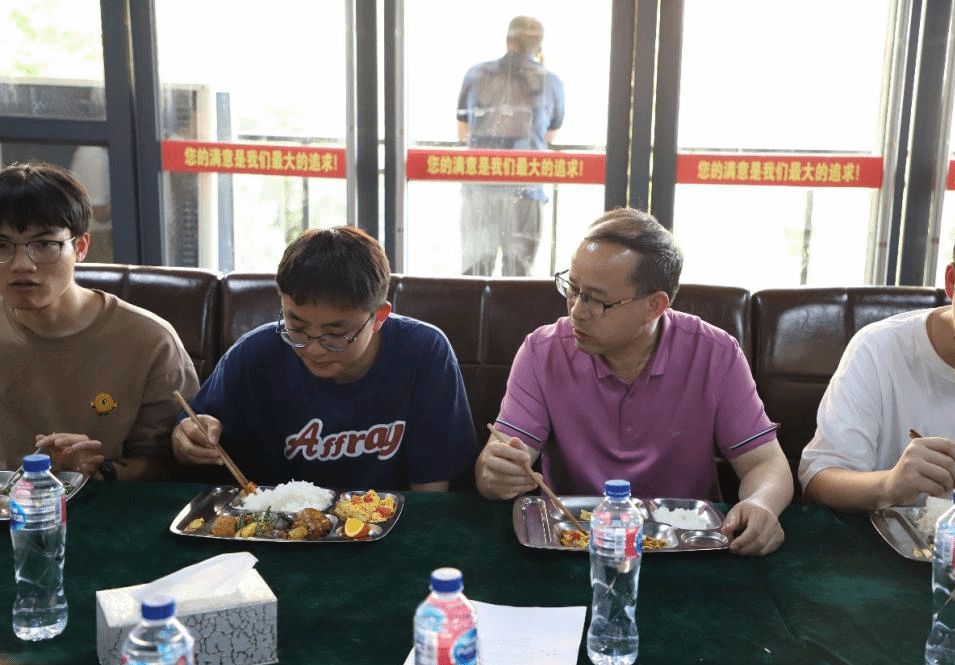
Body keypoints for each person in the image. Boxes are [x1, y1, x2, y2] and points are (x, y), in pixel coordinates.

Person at [475, 207, 793, 555]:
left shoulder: (715, 354)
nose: (576, 310)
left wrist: (761, 503)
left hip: (685, 548)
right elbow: (502, 458)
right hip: (574, 543)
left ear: (654, 306)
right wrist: (496, 472)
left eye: (596, 299)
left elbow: (765, 463)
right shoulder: (543, 351)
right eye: (572, 288)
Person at [172, 225, 478, 491]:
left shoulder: (424, 352)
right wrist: (187, 440)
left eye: (335, 334)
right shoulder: (254, 354)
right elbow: (190, 434)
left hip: (389, 525)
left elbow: (433, 489)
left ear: (379, 317)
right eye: (296, 328)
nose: (314, 349)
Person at [800, 195, 955, 511]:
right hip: (884, 539)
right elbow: (819, 480)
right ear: (952, 281)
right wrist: (889, 485)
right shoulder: (881, 349)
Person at [0, 161, 199, 479]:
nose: (22, 264)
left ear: (80, 247)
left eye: (44, 244)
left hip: (108, 505)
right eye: (2, 246)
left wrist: (96, 469)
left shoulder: (150, 341)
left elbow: (171, 466)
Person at [456, 15, 565, 276]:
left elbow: (463, 132)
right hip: (526, 188)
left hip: (480, 188)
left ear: (508, 41)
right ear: (538, 47)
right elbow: (550, 135)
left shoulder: (475, 74)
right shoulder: (551, 81)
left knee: (474, 274)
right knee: (518, 277)